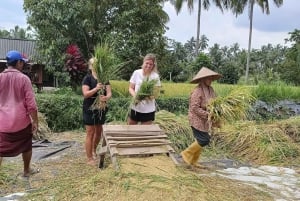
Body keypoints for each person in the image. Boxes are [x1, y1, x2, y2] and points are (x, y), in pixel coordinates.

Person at [0, 50, 39, 177]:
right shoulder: (24, 79)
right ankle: (26, 171)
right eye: (22, 62)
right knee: (27, 146)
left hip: (2, 124)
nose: (23, 65)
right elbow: (31, 105)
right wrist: (35, 121)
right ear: (18, 63)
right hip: (21, 123)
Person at [181, 67, 222, 167]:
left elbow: (215, 102)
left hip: (205, 120)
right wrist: (208, 115)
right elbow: (194, 108)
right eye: (208, 78)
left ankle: (194, 161)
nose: (210, 80)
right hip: (196, 119)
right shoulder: (197, 91)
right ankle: (187, 153)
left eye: (211, 78)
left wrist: (219, 110)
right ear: (203, 79)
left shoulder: (211, 90)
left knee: (200, 140)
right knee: (204, 139)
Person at [82, 57, 112, 165]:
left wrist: (106, 98)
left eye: (97, 63)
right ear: (90, 66)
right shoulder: (87, 78)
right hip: (89, 108)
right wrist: (96, 89)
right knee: (90, 132)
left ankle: (94, 150)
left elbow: (109, 93)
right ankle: (89, 158)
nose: (96, 65)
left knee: (98, 132)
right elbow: (85, 94)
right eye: (93, 64)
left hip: (101, 108)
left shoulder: (104, 78)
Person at [127, 53, 161, 125]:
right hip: (135, 107)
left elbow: (156, 93)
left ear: (153, 65)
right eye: (147, 63)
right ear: (143, 62)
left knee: (145, 132)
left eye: (151, 64)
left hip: (148, 110)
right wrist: (136, 96)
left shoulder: (155, 77)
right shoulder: (137, 73)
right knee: (131, 130)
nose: (148, 66)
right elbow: (130, 88)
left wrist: (146, 97)